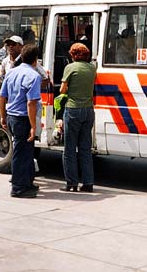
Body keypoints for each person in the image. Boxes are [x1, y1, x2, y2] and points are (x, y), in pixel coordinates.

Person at [0, 44, 42, 198]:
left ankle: (27, 183)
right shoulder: (34, 76)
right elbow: (31, 103)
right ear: (35, 60)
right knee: (22, 154)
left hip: (11, 117)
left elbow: (2, 96)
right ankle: (18, 188)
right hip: (23, 119)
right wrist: (33, 126)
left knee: (26, 153)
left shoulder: (11, 73)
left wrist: (3, 116)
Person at [60, 42, 97, 192]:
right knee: (85, 148)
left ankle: (71, 183)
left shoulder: (70, 68)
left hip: (73, 110)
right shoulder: (92, 68)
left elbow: (63, 89)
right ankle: (88, 183)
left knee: (69, 149)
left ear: (74, 55)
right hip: (88, 110)